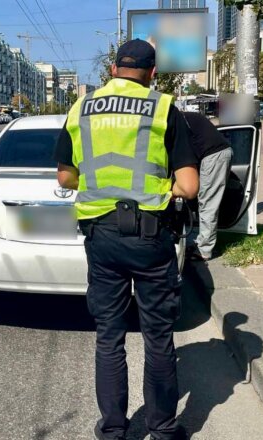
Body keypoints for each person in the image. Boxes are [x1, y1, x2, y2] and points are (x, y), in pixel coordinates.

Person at [55, 39, 199, 440]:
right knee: (157, 337)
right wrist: (162, 189)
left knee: (109, 336)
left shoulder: (80, 108)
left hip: (101, 237)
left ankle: (114, 430)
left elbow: (65, 178)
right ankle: (163, 429)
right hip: (151, 239)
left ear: (113, 69)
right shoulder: (164, 108)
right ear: (153, 73)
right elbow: (188, 186)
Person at [181, 112, 232, 261]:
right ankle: (201, 241)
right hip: (215, 153)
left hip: (213, 156)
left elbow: (180, 153)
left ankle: (204, 250)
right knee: (206, 200)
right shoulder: (187, 117)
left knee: (207, 202)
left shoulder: (177, 121)